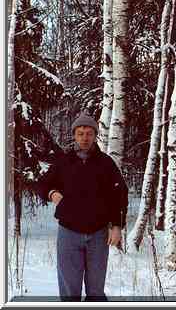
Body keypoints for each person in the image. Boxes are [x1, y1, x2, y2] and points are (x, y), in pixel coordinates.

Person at [37, 113, 128, 301]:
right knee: (70, 291)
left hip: (98, 234)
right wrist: (52, 193)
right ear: (74, 135)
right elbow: (42, 185)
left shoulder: (106, 163)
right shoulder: (64, 161)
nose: (84, 138)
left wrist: (117, 226)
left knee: (95, 291)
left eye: (88, 133)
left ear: (95, 136)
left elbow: (119, 194)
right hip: (69, 232)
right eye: (80, 133)